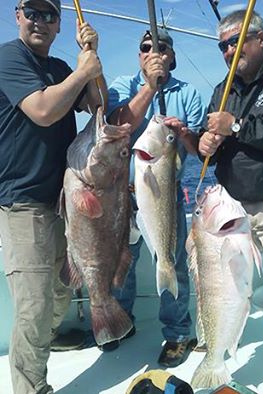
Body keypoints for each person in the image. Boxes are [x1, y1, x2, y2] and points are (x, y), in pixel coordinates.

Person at [0, 0, 107, 393]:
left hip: (64, 202)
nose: (40, 22)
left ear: (61, 24)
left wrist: (93, 60)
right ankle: (31, 386)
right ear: (17, 15)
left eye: (49, 15)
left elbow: (98, 106)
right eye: (33, 12)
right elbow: (43, 110)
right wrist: (81, 72)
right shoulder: (8, 58)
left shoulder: (62, 68)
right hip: (22, 203)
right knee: (33, 305)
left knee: (64, 286)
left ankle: (47, 338)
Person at [198, 9, 263, 394]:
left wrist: (236, 125)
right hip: (229, 214)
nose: (227, 51)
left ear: (260, 39)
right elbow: (215, 143)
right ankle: (217, 358)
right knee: (220, 295)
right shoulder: (223, 90)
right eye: (222, 45)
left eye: (234, 42)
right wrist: (205, 143)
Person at [106, 27, 206, 367]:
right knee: (121, 264)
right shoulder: (124, 86)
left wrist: (184, 133)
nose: (153, 52)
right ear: (139, 55)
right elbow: (118, 125)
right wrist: (150, 86)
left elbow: (196, 151)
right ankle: (121, 323)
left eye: (161, 48)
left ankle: (179, 333)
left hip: (165, 196)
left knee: (172, 262)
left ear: (172, 56)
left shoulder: (189, 93)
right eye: (146, 47)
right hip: (122, 196)